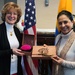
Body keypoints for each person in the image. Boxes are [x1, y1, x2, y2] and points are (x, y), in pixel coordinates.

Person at [0, 2, 25, 75]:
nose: (12, 16)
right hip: (2, 70)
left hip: (16, 69)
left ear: (18, 16)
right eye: (9, 13)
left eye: (15, 14)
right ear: (4, 15)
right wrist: (10, 51)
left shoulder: (17, 31)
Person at [51, 10, 75, 75]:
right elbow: (55, 55)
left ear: (72, 22)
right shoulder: (58, 37)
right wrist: (47, 50)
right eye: (60, 23)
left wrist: (62, 62)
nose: (63, 25)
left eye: (65, 22)